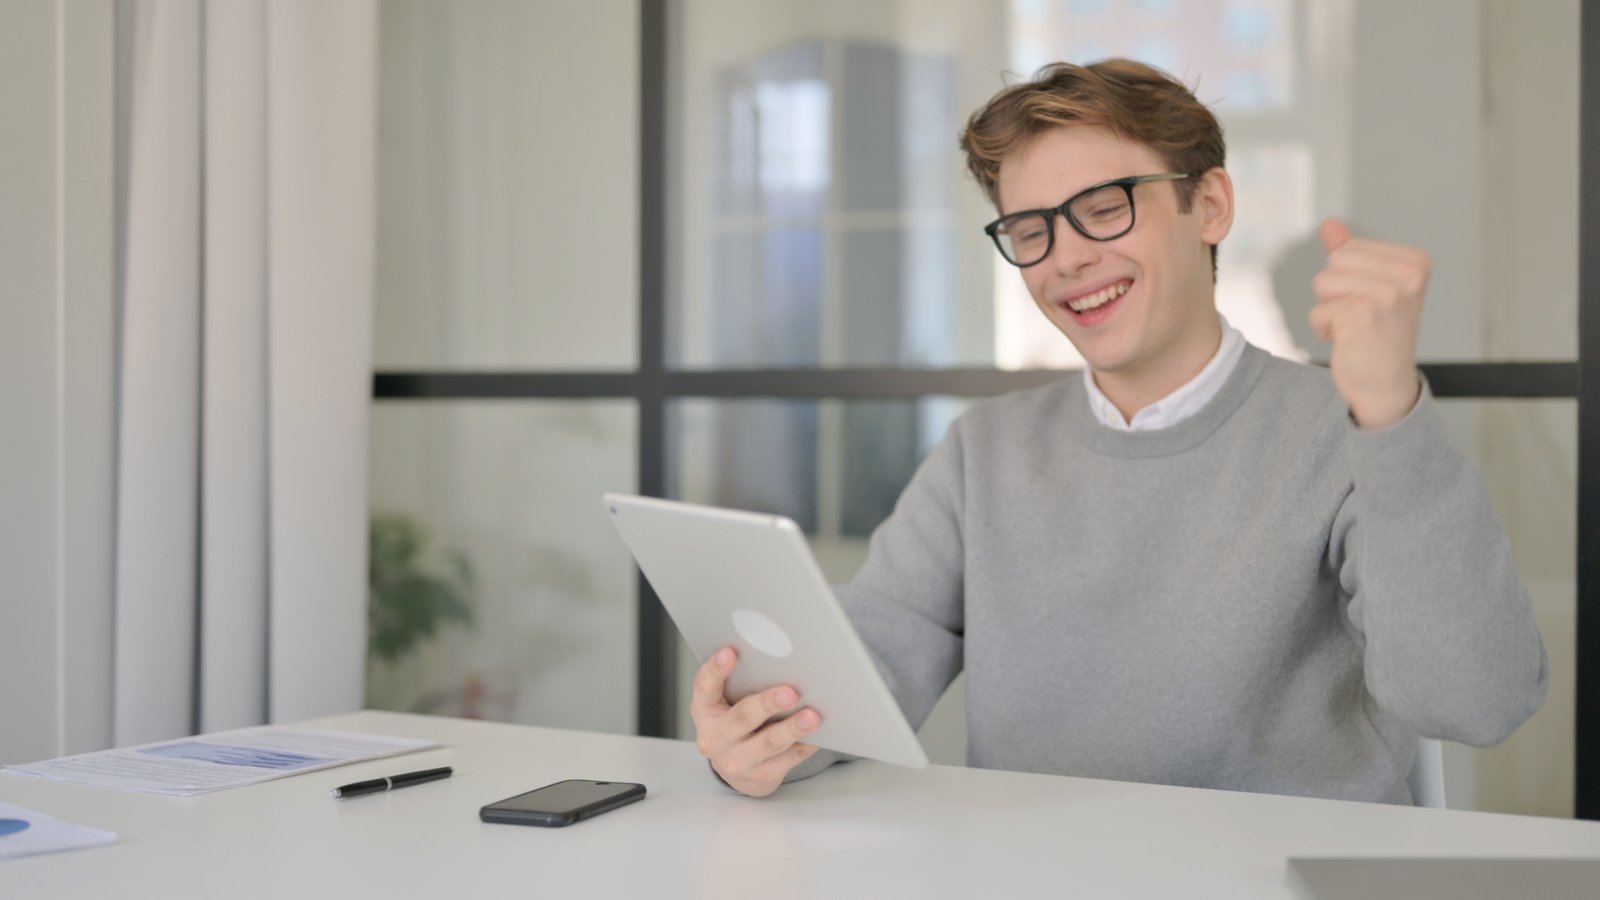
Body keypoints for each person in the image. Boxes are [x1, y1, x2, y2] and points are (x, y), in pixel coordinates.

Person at [689, 59, 1549, 803]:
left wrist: (1389, 412)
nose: (1066, 257)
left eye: (1104, 207)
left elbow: (1475, 701)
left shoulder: (1347, 430)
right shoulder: (985, 452)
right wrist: (761, 741)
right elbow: (864, 670)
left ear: (1208, 206)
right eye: (1031, 230)